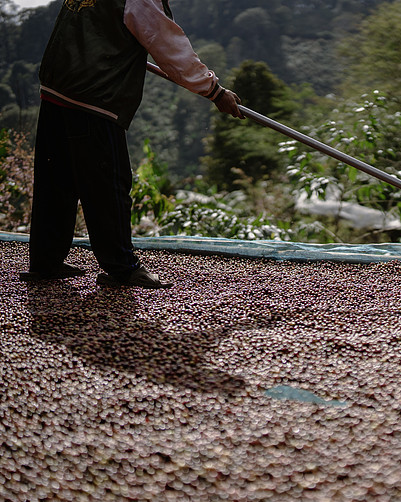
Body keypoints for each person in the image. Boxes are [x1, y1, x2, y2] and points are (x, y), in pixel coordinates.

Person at [20, 0, 244, 288]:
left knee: (57, 180)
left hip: (57, 91)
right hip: (95, 98)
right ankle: (122, 268)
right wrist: (214, 90)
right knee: (108, 185)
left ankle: (45, 262)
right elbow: (169, 45)